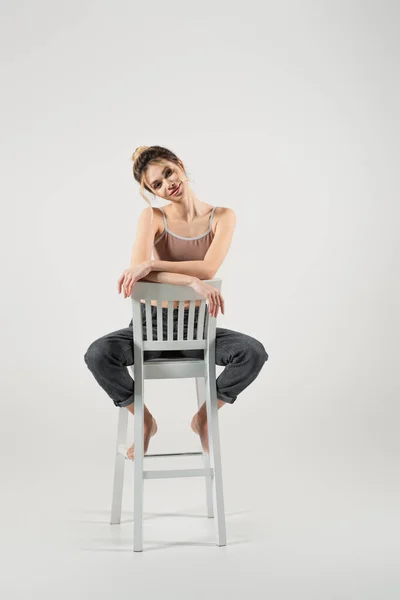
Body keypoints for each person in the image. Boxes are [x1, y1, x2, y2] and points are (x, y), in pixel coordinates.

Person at [84, 145, 268, 459]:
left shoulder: (222, 217)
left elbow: (207, 268)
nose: (167, 184)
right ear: (151, 191)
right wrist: (188, 280)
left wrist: (154, 266)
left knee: (252, 353)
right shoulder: (152, 217)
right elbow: (135, 274)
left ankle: (204, 417)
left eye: (168, 172)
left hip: (198, 331)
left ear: (179, 165)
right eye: (156, 184)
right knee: (98, 355)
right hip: (150, 329)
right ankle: (143, 421)